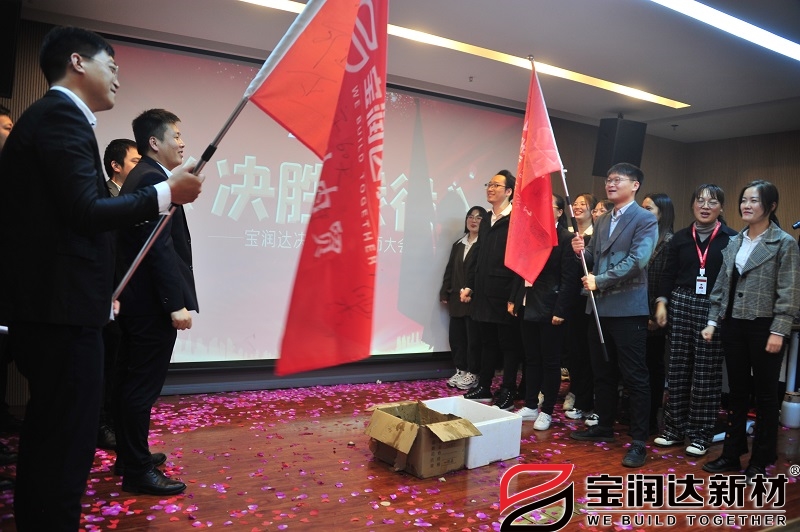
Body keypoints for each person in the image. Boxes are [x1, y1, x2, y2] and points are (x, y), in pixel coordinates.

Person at [0, 27, 202, 530]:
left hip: (67, 306)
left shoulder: (56, 118)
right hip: (61, 314)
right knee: (66, 440)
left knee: (55, 435)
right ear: (77, 62)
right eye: (110, 65)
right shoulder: (60, 117)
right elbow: (85, 212)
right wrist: (166, 194)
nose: (116, 77)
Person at [114, 109, 198, 496]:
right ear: (154, 142)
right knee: (140, 388)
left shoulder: (145, 176)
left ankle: (130, 457)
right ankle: (137, 469)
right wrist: (174, 304)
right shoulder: (151, 178)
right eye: (175, 136)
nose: (181, 142)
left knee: (129, 382)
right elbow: (157, 248)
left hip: (137, 303)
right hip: (149, 305)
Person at [701, 180, 800, 480]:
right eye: (744, 199)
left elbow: (790, 292)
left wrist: (779, 331)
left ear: (771, 206)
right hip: (733, 324)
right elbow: (721, 285)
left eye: (754, 200)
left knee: (766, 396)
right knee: (737, 393)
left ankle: (761, 458)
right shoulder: (735, 241)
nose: (747, 205)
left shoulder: (784, 243)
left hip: (765, 326)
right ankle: (732, 454)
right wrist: (713, 321)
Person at [569, 163, 657, 469]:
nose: (610, 184)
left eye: (617, 180)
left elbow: (638, 260)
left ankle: (639, 441)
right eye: (608, 179)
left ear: (635, 185)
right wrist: (581, 251)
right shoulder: (604, 219)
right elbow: (594, 257)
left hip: (628, 308)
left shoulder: (645, 219)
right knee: (602, 370)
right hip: (599, 307)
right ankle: (604, 425)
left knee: (634, 375)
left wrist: (601, 280)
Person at [653, 184, 736, 457]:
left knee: (705, 374)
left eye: (712, 202)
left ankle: (701, 435)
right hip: (681, 302)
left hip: (712, 307)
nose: (705, 206)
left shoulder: (731, 239)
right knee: (677, 369)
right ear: (692, 205)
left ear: (721, 208)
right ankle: (674, 429)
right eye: (700, 201)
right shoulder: (680, 238)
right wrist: (662, 302)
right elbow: (667, 274)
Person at [510, 194, 580, 430]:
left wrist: (561, 309)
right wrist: (515, 299)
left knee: (550, 361)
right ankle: (531, 405)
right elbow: (520, 270)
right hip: (528, 304)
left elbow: (569, 280)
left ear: (560, 212)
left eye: (549, 206)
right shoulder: (531, 234)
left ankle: (547, 410)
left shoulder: (565, 238)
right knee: (531, 359)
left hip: (550, 308)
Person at [95, 138, 141, 452]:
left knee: (122, 362)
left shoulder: (134, 198)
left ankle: (115, 423)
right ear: (115, 166)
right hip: (107, 294)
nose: (140, 168)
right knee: (106, 364)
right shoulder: (105, 197)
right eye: (135, 161)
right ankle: (101, 425)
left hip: (131, 296)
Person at [462, 170, 522, 410]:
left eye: (497, 185)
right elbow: (478, 253)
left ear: (508, 191)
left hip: (505, 292)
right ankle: (484, 386)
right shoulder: (487, 219)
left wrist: (515, 296)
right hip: (483, 291)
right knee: (486, 342)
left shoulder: (516, 219)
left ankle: (508, 390)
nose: (490, 188)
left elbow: (519, 260)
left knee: (508, 345)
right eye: (489, 184)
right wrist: (470, 284)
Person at [439, 206, 486, 390]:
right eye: (470, 217)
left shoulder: (484, 244)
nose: (474, 220)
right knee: (457, 337)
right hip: (456, 299)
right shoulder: (458, 244)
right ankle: (461, 369)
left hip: (474, 300)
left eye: (479, 217)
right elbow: (450, 269)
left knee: (473, 339)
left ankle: (473, 373)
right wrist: (445, 291)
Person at [641, 192, 674, 433]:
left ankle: (651, 418)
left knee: (653, 366)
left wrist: (654, 314)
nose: (643, 212)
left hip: (655, 313)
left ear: (662, 213)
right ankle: (639, 414)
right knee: (639, 367)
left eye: (648, 208)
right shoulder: (643, 236)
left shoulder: (669, 242)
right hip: (635, 310)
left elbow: (665, 281)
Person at [563, 193, 598, 423]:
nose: (577, 207)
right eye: (575, 204)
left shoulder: (596, 235)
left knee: (587, 351)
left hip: (590, 298)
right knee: (572, 350)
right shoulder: (568, 234)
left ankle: (583, 394)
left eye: (583, 204)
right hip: (571, 298)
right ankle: (574, 389)